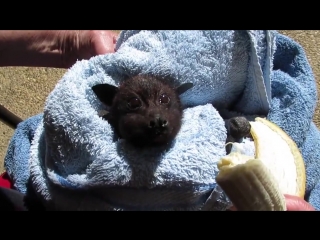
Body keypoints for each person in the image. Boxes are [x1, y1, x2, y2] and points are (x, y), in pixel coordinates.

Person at [0, 30, 315, 211]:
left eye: (165, 102)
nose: (155, 117)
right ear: (111, 113)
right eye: (134, 105)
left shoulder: (198, 117)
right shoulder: (102, 128)